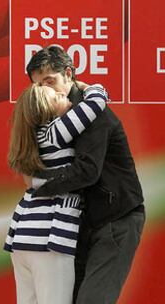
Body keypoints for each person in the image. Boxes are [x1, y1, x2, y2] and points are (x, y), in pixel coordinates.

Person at [26, 46, 145, 304]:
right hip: (83, 224)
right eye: (39, 86)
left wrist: (39, 187)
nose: (46, 91)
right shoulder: (52, 116)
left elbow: (87, 171)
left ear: (68, 73)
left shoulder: (90, 112)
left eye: (50, 81)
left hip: (116, 218)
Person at [4, 82, 108, 304]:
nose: (63, 93)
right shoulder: (55, 131)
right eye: (55, 96)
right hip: (48, 237)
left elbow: (35, 181)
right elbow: (97, 102)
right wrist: (91, 87)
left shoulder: (33, 138)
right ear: (47, 109)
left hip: (22, 237)